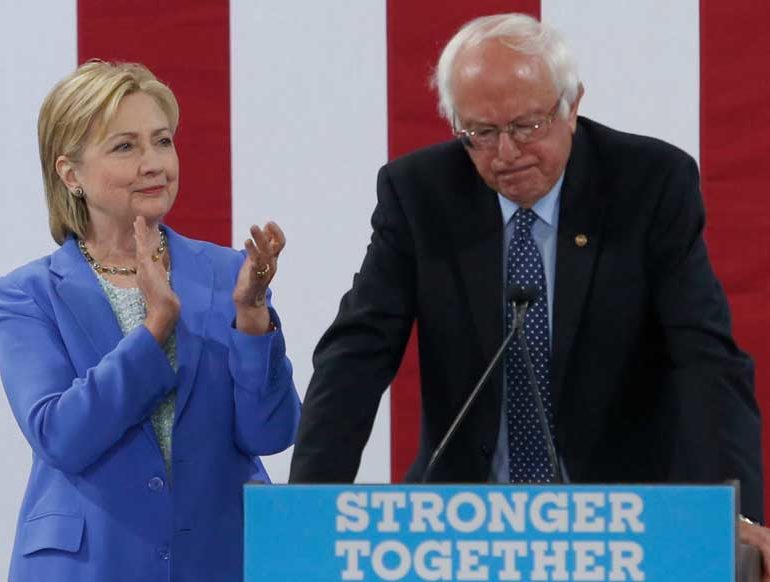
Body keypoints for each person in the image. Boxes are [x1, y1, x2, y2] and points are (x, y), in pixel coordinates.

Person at [289, 11, 769, 573]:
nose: (506, 154)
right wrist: (307, 511)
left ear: (572, 105)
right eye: (481, 134)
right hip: (463, 529)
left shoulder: (650, 183)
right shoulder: (419, 193)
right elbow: (356, 356)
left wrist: (733, 515)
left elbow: (706, 359)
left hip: (624, 525)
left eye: (526, 127)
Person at [0, 60, 300, 582]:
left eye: (162, 141)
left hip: (220, 560)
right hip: (89, 566)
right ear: (70, 174)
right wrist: (154, 329)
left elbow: (271, 432)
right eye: (125, 147)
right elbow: (61, 435)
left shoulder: (227, 273)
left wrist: (253, 318)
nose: (154, 163)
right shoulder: (27, 296)